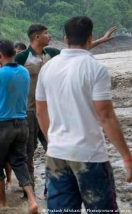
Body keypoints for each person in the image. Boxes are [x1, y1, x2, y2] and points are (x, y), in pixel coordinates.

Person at [36, 16, 132, 211]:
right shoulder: (96, 69)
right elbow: (105, 116)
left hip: (57, 154)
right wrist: (127, 157)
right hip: (90, 155)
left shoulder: (48, 68)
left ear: (65, 39)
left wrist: (53, 141)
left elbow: (40, 111)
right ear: (90, 38)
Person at [15, 23, 117, 193]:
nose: (50, 36)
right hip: (29, 112)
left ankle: (51, 187)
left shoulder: (52, 54)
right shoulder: (22, 57)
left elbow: (78, 49)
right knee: (28, 153)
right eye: (46, 33)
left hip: (50, 111)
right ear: (36, 36)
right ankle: (29, 189)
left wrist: (101, 41)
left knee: (54, 149)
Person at [0, 40, 38, 213]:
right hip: (22, 124)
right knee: (20, 161)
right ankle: (32, 200)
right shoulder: (24, 72)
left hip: (2, 127)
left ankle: (3, 205)